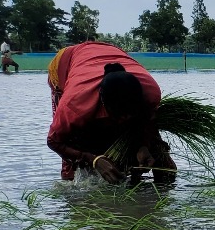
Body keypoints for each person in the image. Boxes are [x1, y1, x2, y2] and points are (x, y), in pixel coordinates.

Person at [47, 41, 176, 184]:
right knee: (75, 156)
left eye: (130, 114)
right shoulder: (74, 105)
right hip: (68, 62)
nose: (125, 119)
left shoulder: (150, 93)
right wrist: (93, 159)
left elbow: (147, 121)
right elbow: (54, 141)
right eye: (119, 115)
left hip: (111, 52)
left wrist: (143, 145)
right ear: (103, 104)